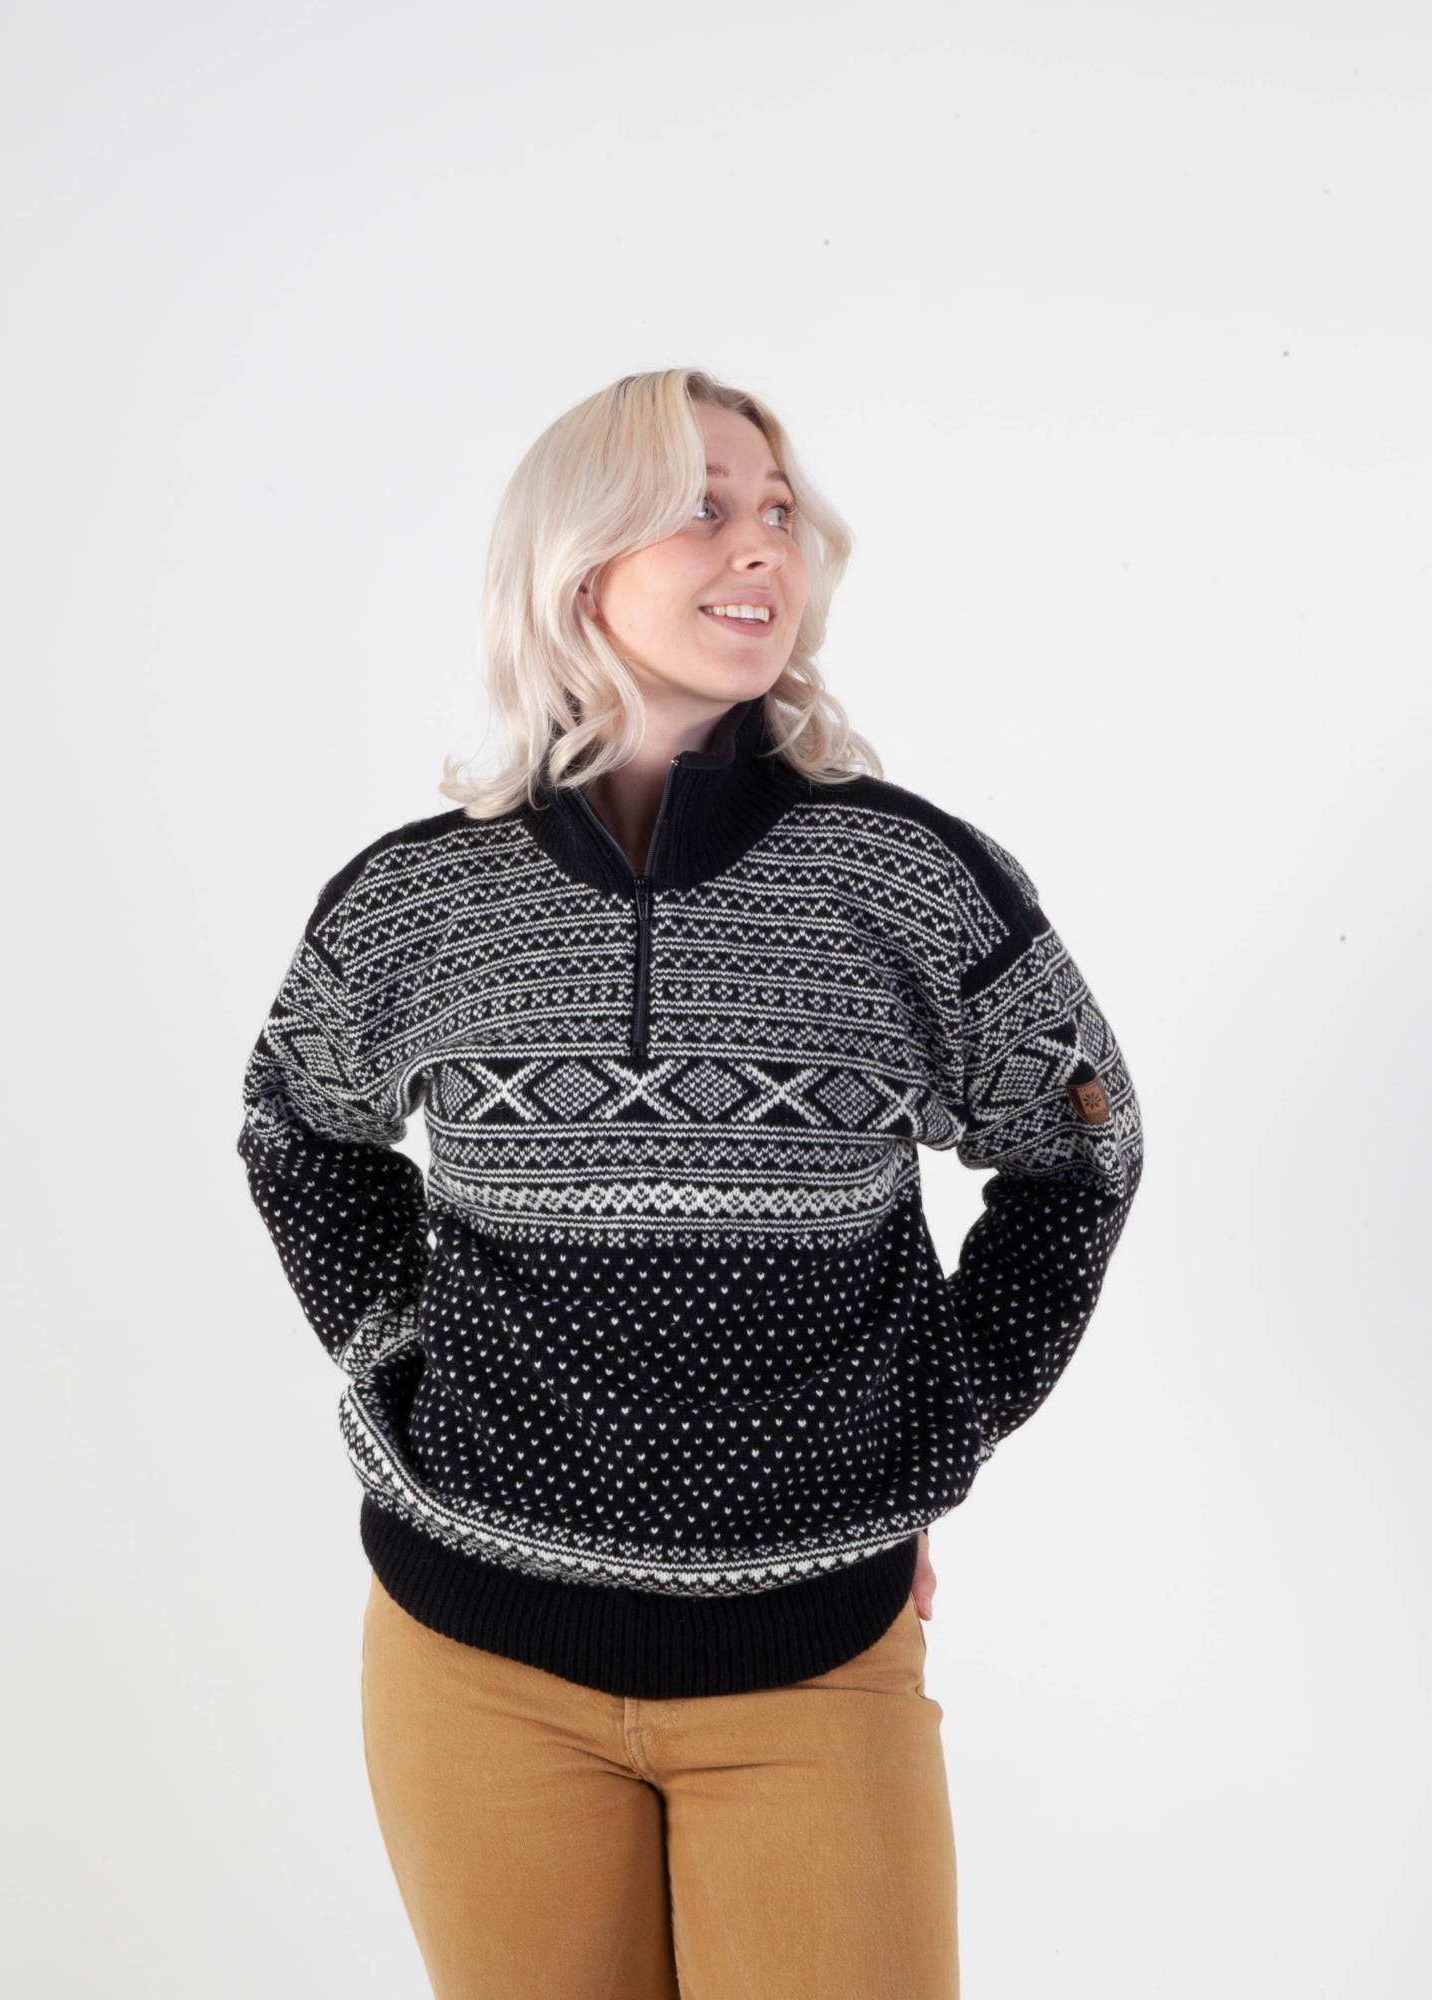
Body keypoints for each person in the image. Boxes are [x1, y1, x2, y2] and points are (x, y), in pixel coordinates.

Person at [237, 368, 1142, 2000]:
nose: (761, 548)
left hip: (810, 1659)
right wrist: (396, 1348)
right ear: (576, 561)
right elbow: (296, 1127)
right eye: (702, 507)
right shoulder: (414, 901)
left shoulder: (907, 881)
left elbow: (1080, 1149)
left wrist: (936, 1411)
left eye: (778, 511)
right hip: (469, 1660)